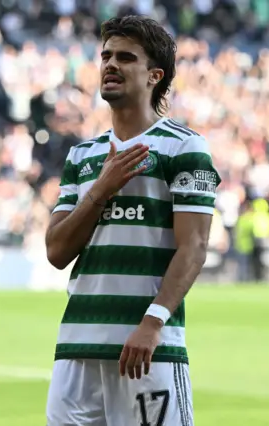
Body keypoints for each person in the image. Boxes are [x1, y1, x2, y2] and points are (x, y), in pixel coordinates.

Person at [44, 15, 221, 426]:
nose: (110, 64)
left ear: (154, 76)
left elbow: (193, 247)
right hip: (77, 347)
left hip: (145, 348)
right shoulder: (82, 156)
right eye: (106, 55)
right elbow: (56, 250)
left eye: (126, 58)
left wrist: (152, 322)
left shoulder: (185, 148)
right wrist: (101, 189)